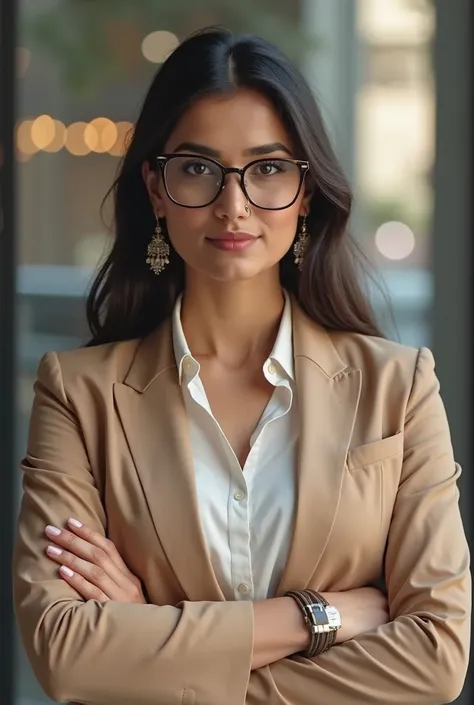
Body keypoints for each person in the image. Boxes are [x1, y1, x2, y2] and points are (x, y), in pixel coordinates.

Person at [13, 26, 470, 705]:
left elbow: (436, 657)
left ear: (307, 190)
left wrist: (150, 644)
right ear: (157, 187)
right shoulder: (80, 393)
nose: (234, 204)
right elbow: (67, 651)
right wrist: (321, 616)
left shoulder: (397, 387)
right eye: (198, 168)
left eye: (267, 168)